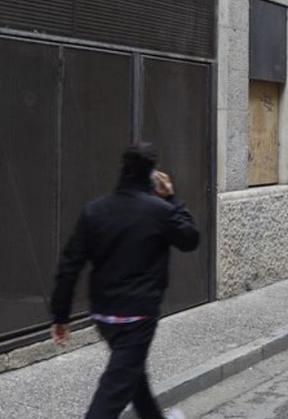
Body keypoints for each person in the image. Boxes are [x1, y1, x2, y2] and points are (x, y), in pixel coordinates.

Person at [50, 143, 199, 419]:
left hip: (104, 314)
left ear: (123, 171)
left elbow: (69, 265)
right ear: (152, 175)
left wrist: (61, 316)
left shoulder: (94, 211)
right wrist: (172, 199)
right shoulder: (160, 211)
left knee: (132, 374)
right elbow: (190, 239)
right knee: (115, 389)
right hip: (138, 315)